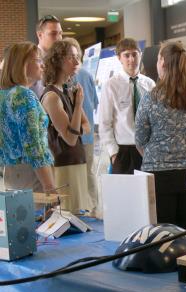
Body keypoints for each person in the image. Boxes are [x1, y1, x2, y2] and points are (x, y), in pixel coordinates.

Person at [135, 42, 186, 229]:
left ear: (162, 62)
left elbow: (140, 138)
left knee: (163, 235)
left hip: (159, 176)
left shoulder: (151, 97)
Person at [41, 39, 93, 214]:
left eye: (78, 57)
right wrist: (78, 105)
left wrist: (75, 126)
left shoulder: (66, 91)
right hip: (63, 165)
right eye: (72, 57)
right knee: (67, 218)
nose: (77, 62)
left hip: (76, 161)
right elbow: (70, 138)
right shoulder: (52, 96)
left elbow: (86, 127)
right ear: (58, 60)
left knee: (79, 216)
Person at [0, 42, 55, 192]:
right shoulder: (24, 95)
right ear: (23, 64)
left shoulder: (4, 95)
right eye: (38, 60)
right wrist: (49, 186)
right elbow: (33, 146)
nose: (42, 65)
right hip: (32, 173)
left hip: (10, 172)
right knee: (39, 215)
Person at [98, 38, 155, 174]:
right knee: (124, 194)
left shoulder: (150, 84)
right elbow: (105, 122)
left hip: (148, 149)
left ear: (140, 54)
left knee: (149, 193)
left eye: (135, 54)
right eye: (127, 55)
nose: (131, 59)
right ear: (119, 58)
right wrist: (113, 153)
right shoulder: (111, 85)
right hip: (124, 151)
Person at [65, 37, 99, 216]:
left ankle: (81, 208)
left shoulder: (75, 77)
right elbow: (94, 103)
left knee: (77, 174)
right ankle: (92, 207)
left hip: (75, 136)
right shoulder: (87, 75)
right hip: (85, 135)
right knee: (89, 172)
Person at [32, 15, 63, 98]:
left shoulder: (61, 60)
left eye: (60, 33)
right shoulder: (30, 60)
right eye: (53, 34)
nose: (58, 38)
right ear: (39, 35)